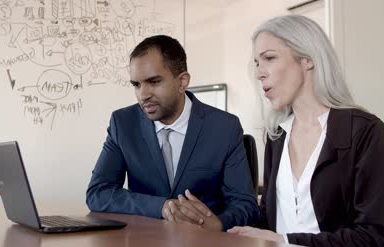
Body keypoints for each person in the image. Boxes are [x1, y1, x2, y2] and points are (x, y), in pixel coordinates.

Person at [227, 15, 384, 247]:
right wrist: (219, 222)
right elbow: (267, 220)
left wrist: (284, 242)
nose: (259, 73)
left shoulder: (362, 130)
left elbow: (372, 239)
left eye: (269, 58)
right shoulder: (277, 135)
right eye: (256, 63)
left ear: (307, 59)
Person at [86, 35, 259, 231]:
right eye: (136, 84)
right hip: (145, 244)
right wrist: (162, 206)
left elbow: (246, 205)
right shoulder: (123, 123)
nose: (143, 94)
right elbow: (98, 193)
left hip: (205, 246)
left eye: (154, 82)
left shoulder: (224, 127)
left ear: (182, 81)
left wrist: (218, 224)